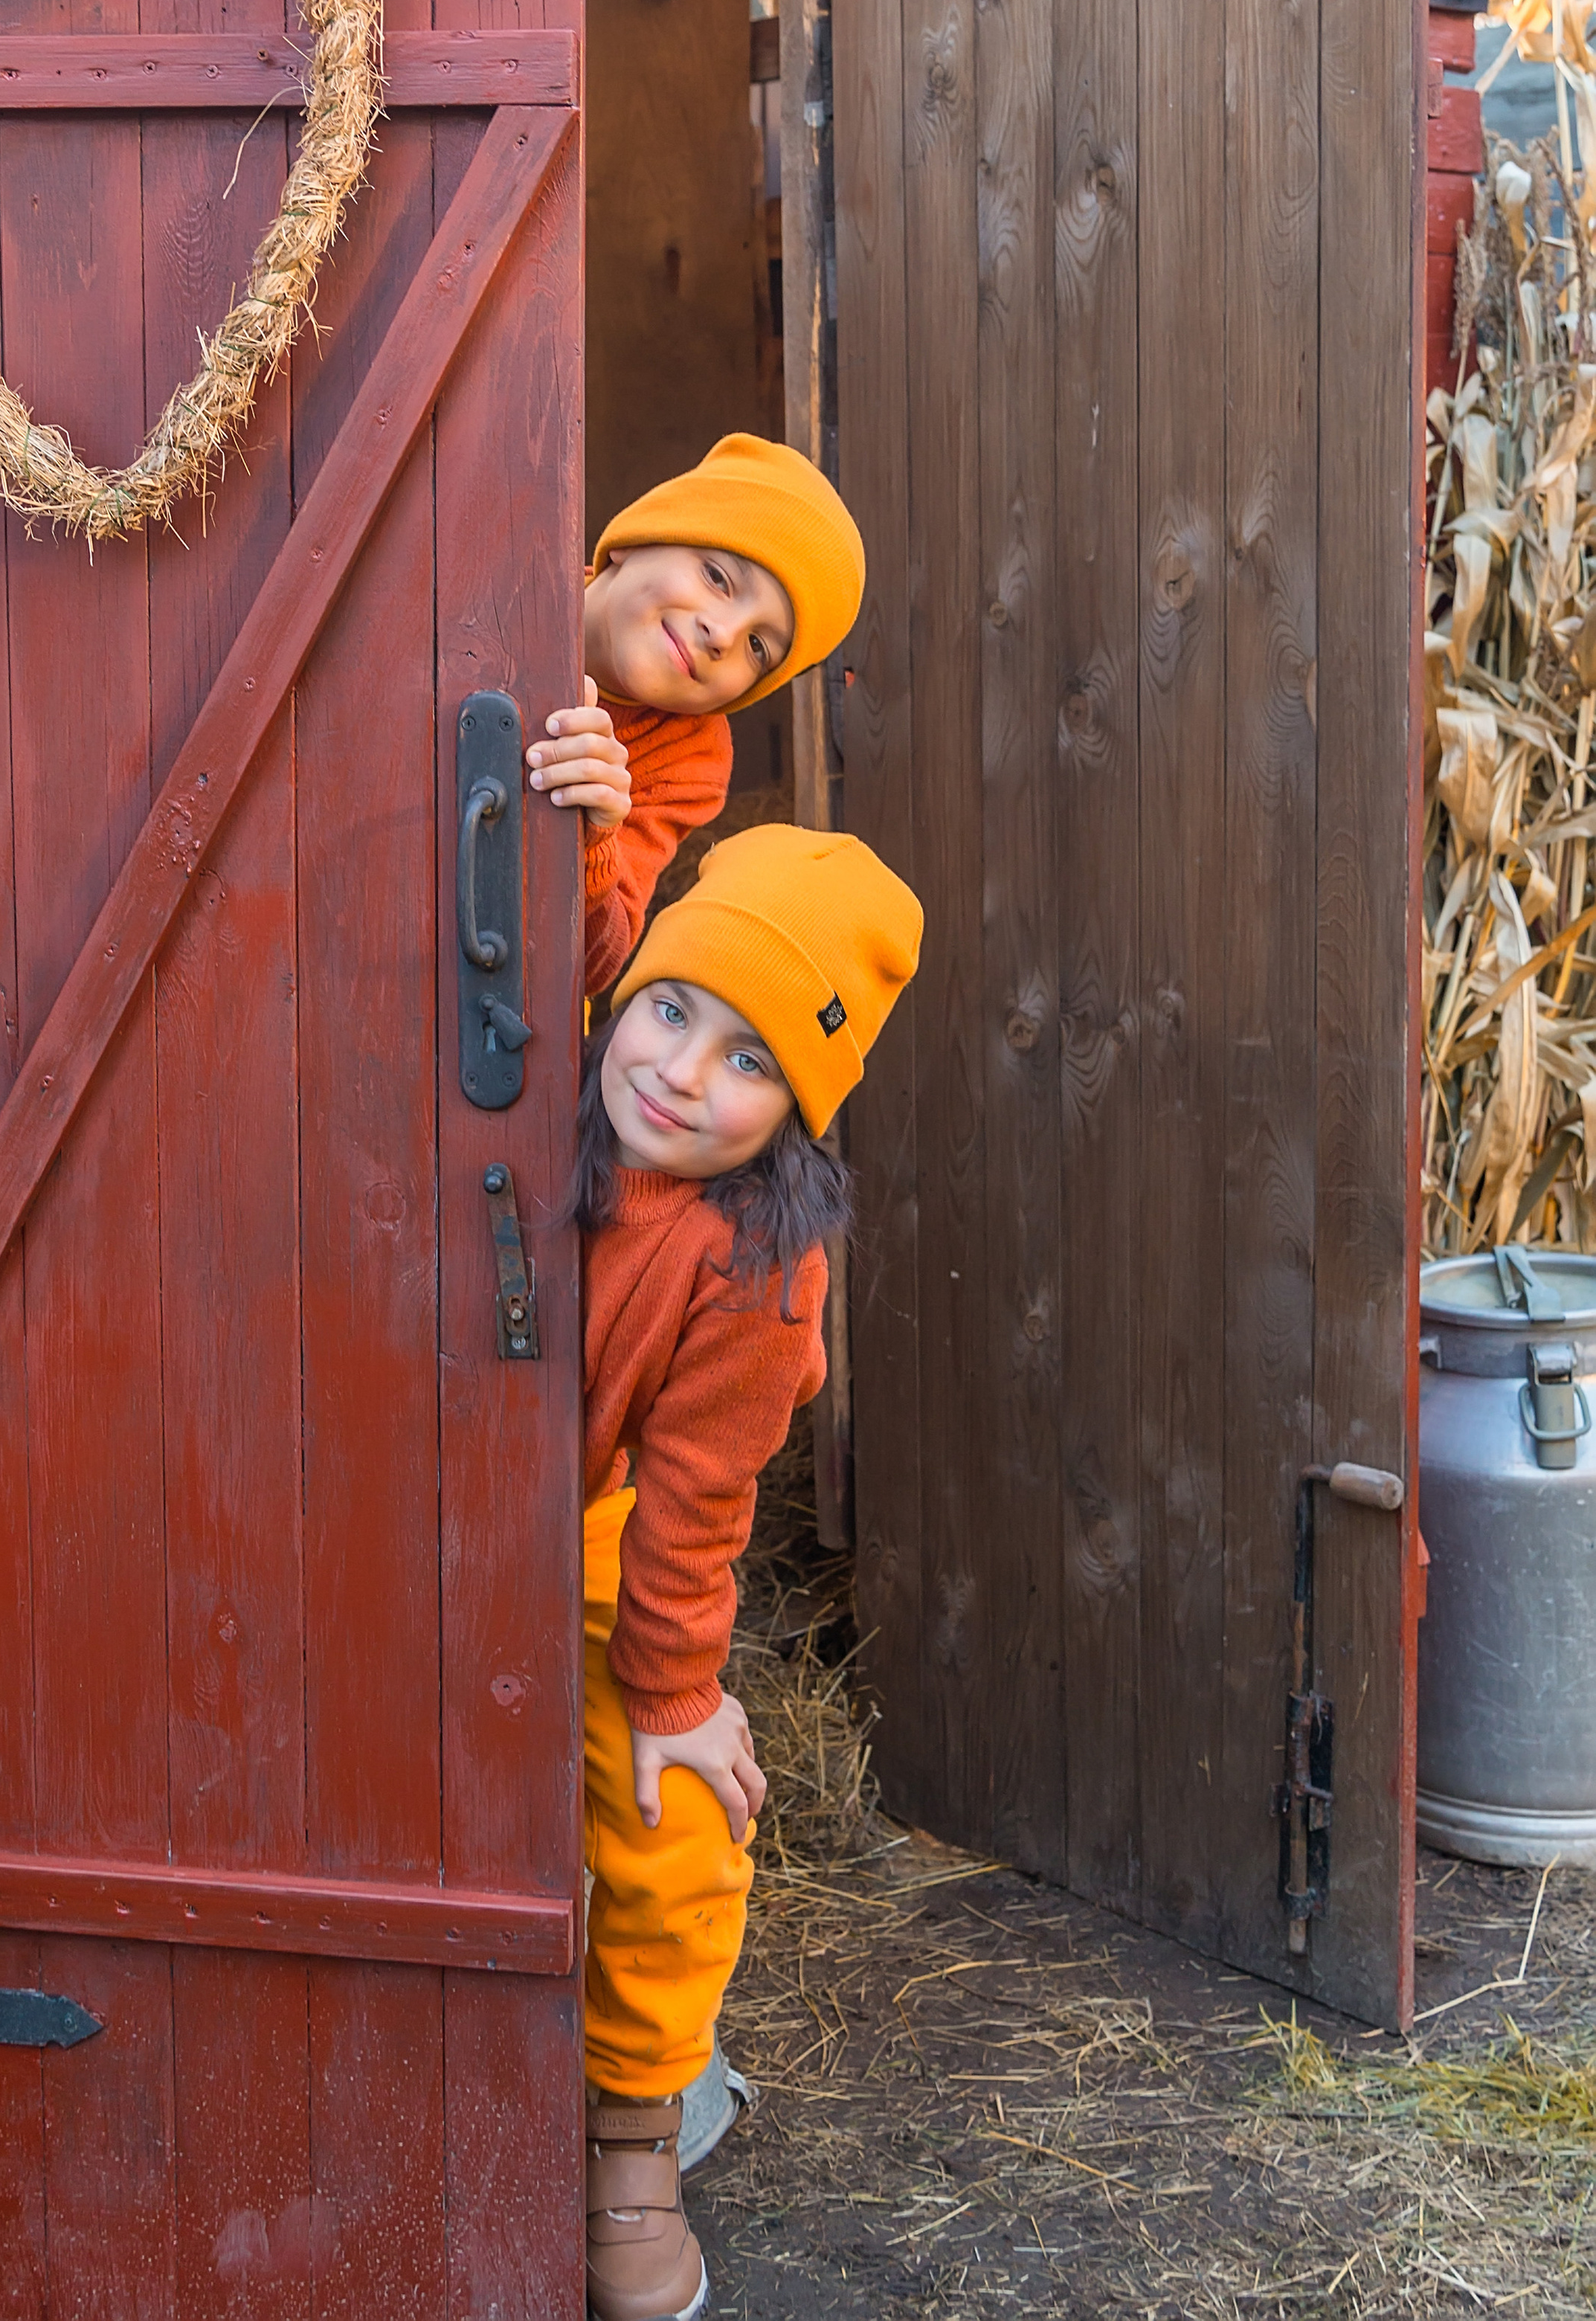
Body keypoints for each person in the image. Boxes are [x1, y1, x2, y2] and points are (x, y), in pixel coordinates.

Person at [573, 823, 921, 2321]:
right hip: (425, 1513)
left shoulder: (759, 1269)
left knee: (678, 1821)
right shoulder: (523, 1098)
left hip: (610, 1531)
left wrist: (671, 1691)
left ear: (796, 1112)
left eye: (749, 1059)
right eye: (670, 1010)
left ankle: (630, 2137)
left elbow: (698, 1503)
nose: (680, 1073)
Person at [526, 435, 865, 995]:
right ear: (640, 537)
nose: (723, 634)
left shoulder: (690, 756)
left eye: (758, 647)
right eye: (718, 577)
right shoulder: (512, 573)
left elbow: (593, 970)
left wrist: (594, 837)